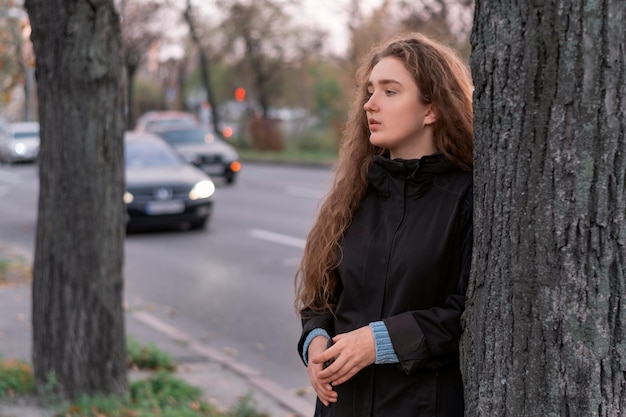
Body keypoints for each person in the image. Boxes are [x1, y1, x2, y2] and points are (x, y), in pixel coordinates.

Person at [294, 32, 474, 417]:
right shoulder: (356, 192)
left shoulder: (466, 195)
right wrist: (316, 338)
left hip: (421, 406)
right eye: (370, 91)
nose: (369, 104)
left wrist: (378, 341)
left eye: (390, 92)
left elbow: (469, 314)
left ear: (432, 109)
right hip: (340, 405)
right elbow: (322, 297)